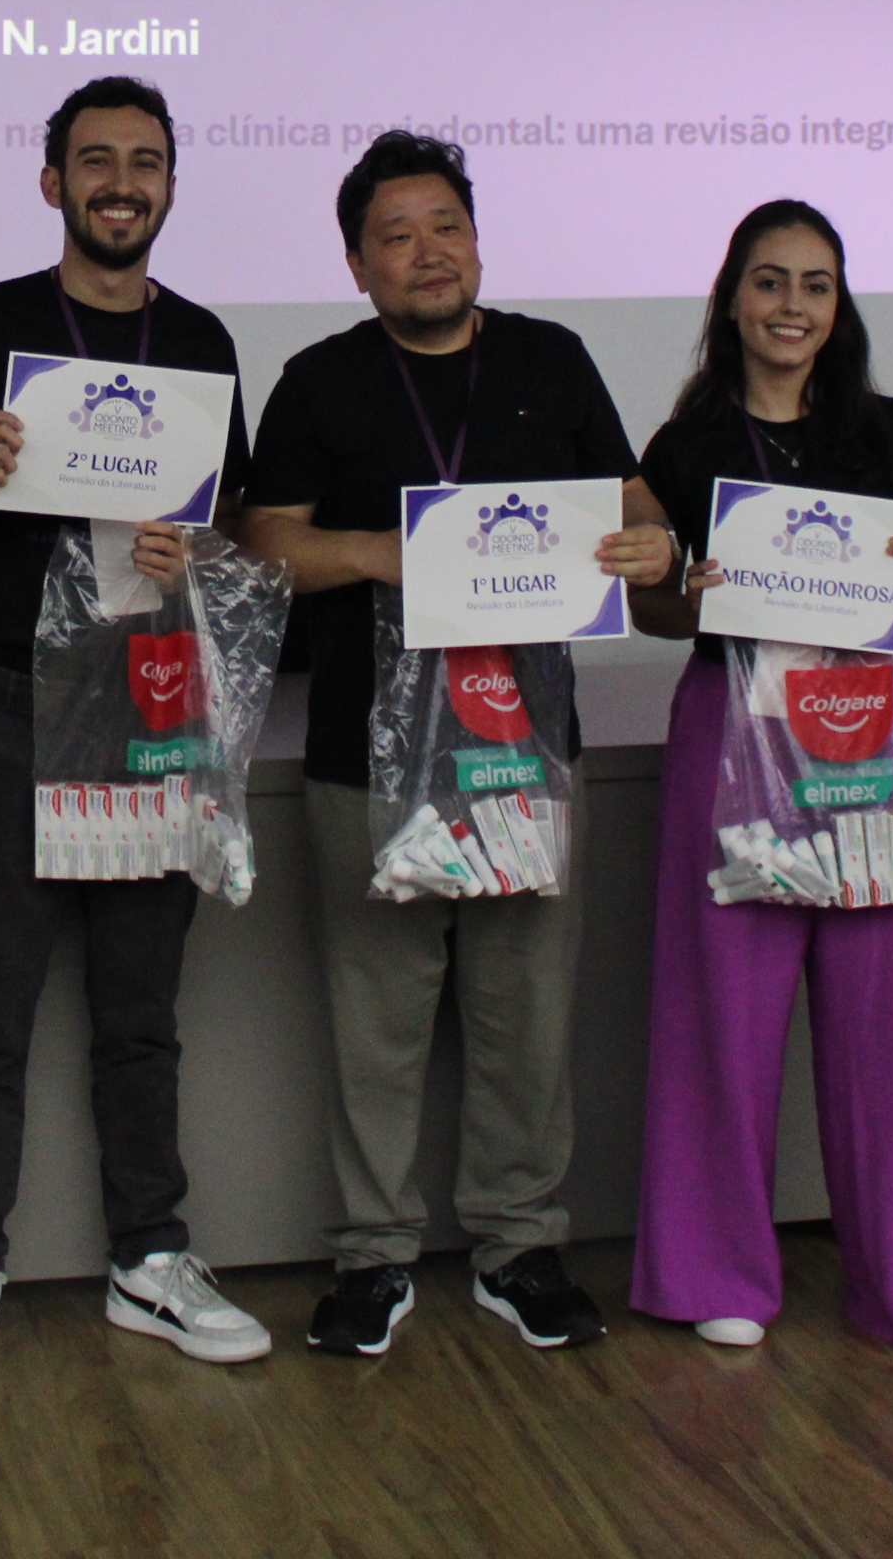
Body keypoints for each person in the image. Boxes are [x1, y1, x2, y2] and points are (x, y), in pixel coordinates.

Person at [239, 130, 673, 1356]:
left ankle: (519, 1245)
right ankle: (372, 1257)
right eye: (397, 235)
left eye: (448, 226)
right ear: (357, 264)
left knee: (525, 1013)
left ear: (476, 240)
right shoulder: (320, 380)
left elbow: (634, 510)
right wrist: (382, 552)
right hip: (365, 756)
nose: (428, 252)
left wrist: (652, 544)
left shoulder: (552, 360)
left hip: (523, 749)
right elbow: (263, 545)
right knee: (376, 1023)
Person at [0, 77, 269, 1385]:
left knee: (140, 1011)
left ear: (170, 185)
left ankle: (150, 1257)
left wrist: (195, 549)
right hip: (13, 707)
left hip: (150, 703)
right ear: (53, 183)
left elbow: (234, 535)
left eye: (144, 161)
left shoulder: (200, 342)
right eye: (96, 160)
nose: (121, 183)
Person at [623, 200, 893, 1350]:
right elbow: (652, 607)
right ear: (733, 298)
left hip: (871, 733)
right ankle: (716, 1274)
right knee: (721, 1016)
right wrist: (685, 585)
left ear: (839, 304)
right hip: (736, 731)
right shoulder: (686, 443)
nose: (792, 304)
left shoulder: (882, 429)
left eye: (815, 284)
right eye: (770, 280)